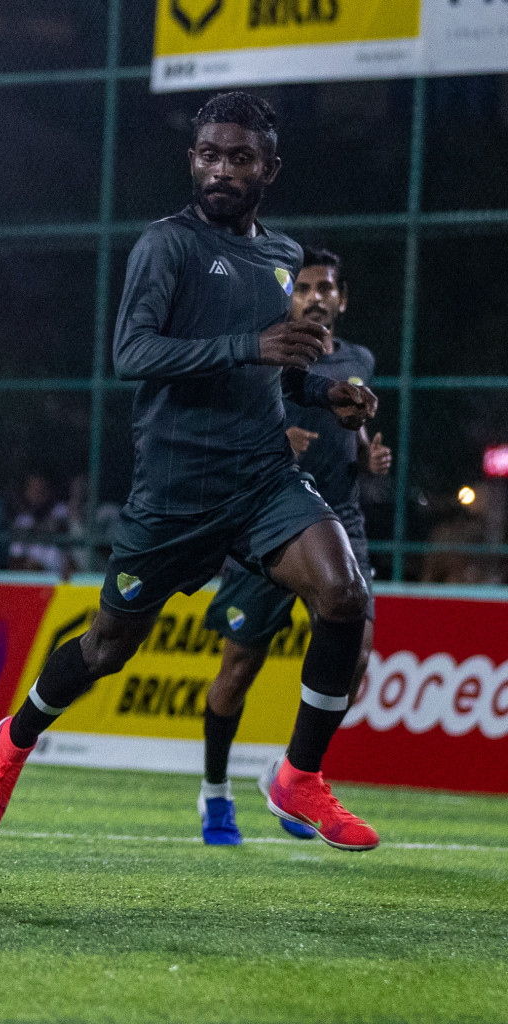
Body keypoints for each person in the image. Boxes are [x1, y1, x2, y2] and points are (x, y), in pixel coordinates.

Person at [0, 92, 384, 852]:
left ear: (270, 168)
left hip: (261, 481)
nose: (221, 169)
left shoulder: (285, 259)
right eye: (209, 154)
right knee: (105, 649)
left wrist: (328, 394)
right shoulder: (167, 246)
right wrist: (250, 347)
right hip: (174, 497)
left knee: (344, 591)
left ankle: (300, 777)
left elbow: (276, 378)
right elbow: (134, 354)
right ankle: (13, 742)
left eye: (240, 157)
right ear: (192, 160)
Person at [197, 247, 391, 844]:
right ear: (291, 297)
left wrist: (368, 456)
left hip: (342, 519)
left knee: (354, 656)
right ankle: (215, 792)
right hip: (272, 517)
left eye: (326, 288)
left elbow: (350, 432)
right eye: (304, 288)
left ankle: (291, 774)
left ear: (341, 299)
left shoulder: (358, 360)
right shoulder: (268, 352)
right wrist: (278, 434)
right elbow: (227, 415)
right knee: (237, 670)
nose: (315, 297)